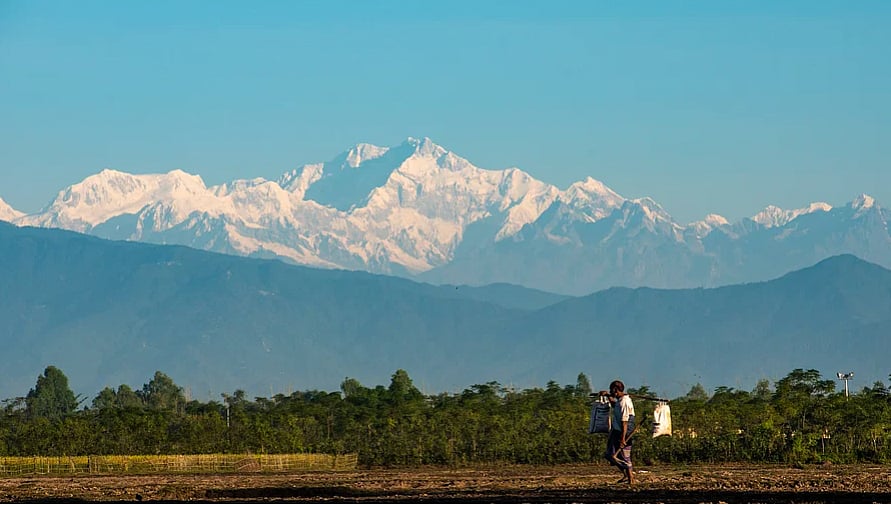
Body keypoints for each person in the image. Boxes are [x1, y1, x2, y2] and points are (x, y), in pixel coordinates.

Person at [601, 380, 636, 484]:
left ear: (615, 390)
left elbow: (625, 422)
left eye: (611, 390)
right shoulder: (620, 401)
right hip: (616, 430)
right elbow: (614, 405)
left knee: (625, 456)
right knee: (609, 454)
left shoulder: (625, 402)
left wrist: (622, 438)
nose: (611, 392)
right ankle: (626, 475)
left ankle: (631, 479)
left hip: (623, 431)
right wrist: (607, 395)